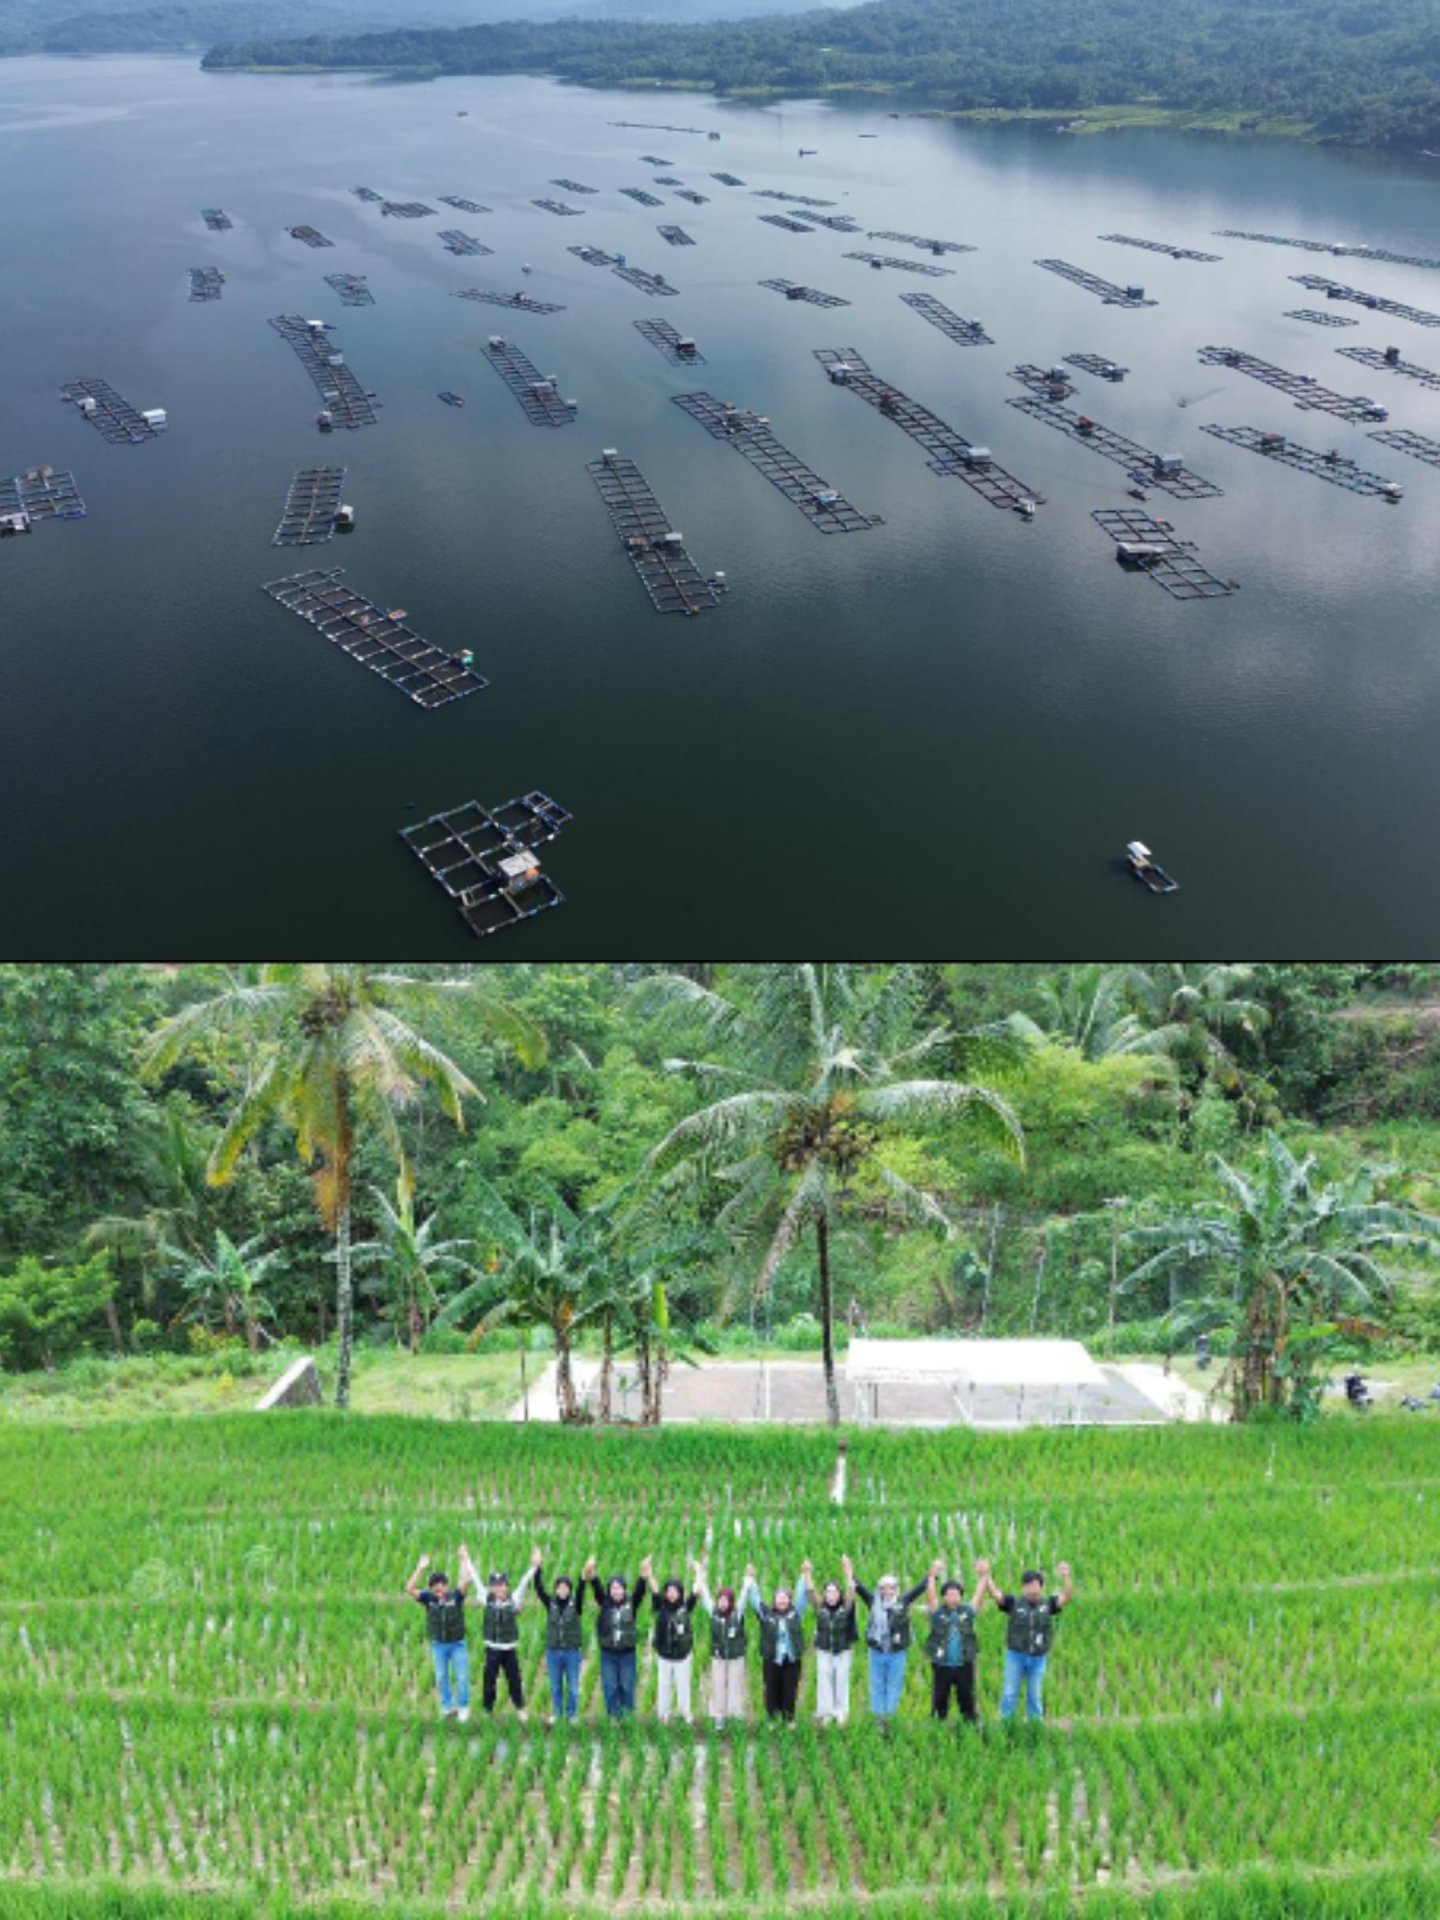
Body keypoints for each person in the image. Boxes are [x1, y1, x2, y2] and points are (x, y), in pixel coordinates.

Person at [981, 1561, 1073, 1722]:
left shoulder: (1048, 1604)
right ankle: (1006, 1723)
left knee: (1035, 1695)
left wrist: (1066, 1576)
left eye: (1035, 1587)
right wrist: (986, 1575)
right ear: (1023, 1588)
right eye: (1029, 1587)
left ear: (1041, 1587)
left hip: (1038, 1657)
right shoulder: (1014, 1603)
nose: (1032, 1591)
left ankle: (1035, 1725)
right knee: (1010, 1692)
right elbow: (995, 1594)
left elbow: (1066, 1596)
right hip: (1016, 1655)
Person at [405, 1551, 473, 1723]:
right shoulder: (429, 1599)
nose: (439, 1591)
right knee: (441, 1677)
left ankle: (463, 1707)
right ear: (432, 1589)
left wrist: (464, 1560)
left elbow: (465, 1582)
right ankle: (447, 1707)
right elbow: (409, 1589)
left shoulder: (455, 1597)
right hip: (438, 1645)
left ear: (446, 1586)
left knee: (462, 1676)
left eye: (441, 1587)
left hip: (457, 1644)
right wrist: (420, 1568)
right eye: (435, 1588)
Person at [854, 1567, 928, 1723]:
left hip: (896, 1652)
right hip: (877, 1651)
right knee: (876, 1685)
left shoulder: (902, 1602)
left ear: (896, 1589)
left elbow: (919, 1589)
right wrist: (849, 1571)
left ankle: (890, 1716)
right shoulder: (874, 1602)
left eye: (891, 1588)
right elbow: (859, 1588)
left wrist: (932, 1574)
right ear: (880, 1590)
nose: (888, 1591)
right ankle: (878, 1717)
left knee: (894, 1685)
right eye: (884, 1588)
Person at [743, 1559, 810, 1723]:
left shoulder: (795, 1613)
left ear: (789, 1600)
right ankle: (772, 1719)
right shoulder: (767, 1614)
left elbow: (802, 1596)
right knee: (771, 1689)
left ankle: (789, 1719)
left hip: (791, 1659)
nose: (782, 1600)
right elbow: (755, 1600)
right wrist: (750, 1578)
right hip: (771, 1659)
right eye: (779, 1598)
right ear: (774, 1600)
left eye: (785, 1597)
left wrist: (805, 1574)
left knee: (790, 1690)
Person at [475, 1546, 537, 1721]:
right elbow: (475, 1579)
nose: (499, 1588)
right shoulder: (485, 1598)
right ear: (491, 1588)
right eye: (495, 1585)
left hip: (509, 1648)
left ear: (506, 1586)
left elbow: (525, 1581)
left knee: (514, 1679)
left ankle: (520, 1708)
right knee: (489, 1681)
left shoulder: (514, 1599)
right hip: (492, 1648)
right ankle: (487, 1710)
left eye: (502, 1585)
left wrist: (534, 1565)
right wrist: (466, 1560)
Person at [923, 1557, 985, 1726]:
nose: (952, 1596)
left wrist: (983, 1576)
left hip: (964, 1662)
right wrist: (932, 1575)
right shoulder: (938, 1613)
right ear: (944, 1597)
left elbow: (979, 1596)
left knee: (966, 1695)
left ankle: (971, 1723)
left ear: (960, 1596)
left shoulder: (967, 1611)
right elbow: (931, 1595)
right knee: (940, 1695)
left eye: (956, 1593)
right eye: (949, 1594)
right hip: (942, 1663)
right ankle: (937, 1723)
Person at [586, 1557, 648, 1719]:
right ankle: (613, 1717)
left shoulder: (631, 1604)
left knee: (627, 1686)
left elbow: (640, 1592)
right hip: (608, 1654)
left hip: (627, 1653)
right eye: (613, 1588)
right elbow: (596, 1586)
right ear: (609, 1590)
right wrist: (591, 1571)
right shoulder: (605, 1603)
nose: (616, 1591)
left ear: (624, 1590)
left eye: (619, 1588)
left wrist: (643, 1574)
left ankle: (628, 1718)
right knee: (610, 1686)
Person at [643, 1555, 699, 1725]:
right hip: (664, 1655)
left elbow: (696, 1590)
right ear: (666, 1593)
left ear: (680, 1592)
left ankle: (685, 1713)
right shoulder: (661, 1605)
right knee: (664, 1685)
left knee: (683, 1686)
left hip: (682, 1655)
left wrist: (698, 1570)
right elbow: (653, 1588)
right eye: (669, 1591)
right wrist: (649, 1572)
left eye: (675, 1591)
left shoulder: (685, 1607)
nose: (672, 1594)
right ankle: (664, 1714)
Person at [533, 1550, 585, 1725]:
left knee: (572, 1687)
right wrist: (537, 1568)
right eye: (559, 1587)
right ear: (556, 1589)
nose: (563, 1590)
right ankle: (557, 1713)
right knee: (555, 1687)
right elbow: (539, 1589)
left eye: (566, 1587)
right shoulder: (551, 1604)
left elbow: (582, 1590)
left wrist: (584, 1577)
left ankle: (572, 1715)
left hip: (572, 1652)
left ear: (570, 1590)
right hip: (554, 1652)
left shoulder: (575, 1604)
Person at [695, 1564, 748, 1730]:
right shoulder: (714, 1613)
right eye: (720, 1600)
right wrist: (699, 1574)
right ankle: (719, 1717)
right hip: (718, 1657)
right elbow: (704, 1595)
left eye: (726, 1600)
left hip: (735, 1657)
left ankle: (735, 1715)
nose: (723, 1603)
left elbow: (744, 1597)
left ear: (731, 1602)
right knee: (718, 1685)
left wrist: (747, 1581)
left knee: (735, 1685)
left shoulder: (737, 1613)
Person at [812, 1555, 859, 1726]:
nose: (831, 1595)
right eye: (828, 1592)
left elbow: (851, 1590)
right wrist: (807, 1573)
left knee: (841, 1680)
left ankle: (841, 1711)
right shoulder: (820, 1608)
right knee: (824, 1680)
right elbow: (811, 1593)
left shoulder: (845, 1608)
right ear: (824, 1595)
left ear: (839, 1594)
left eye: (834, 1592)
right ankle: (825, 1712)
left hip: (843, 1649)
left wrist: (848, 1570)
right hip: (824, 1649)